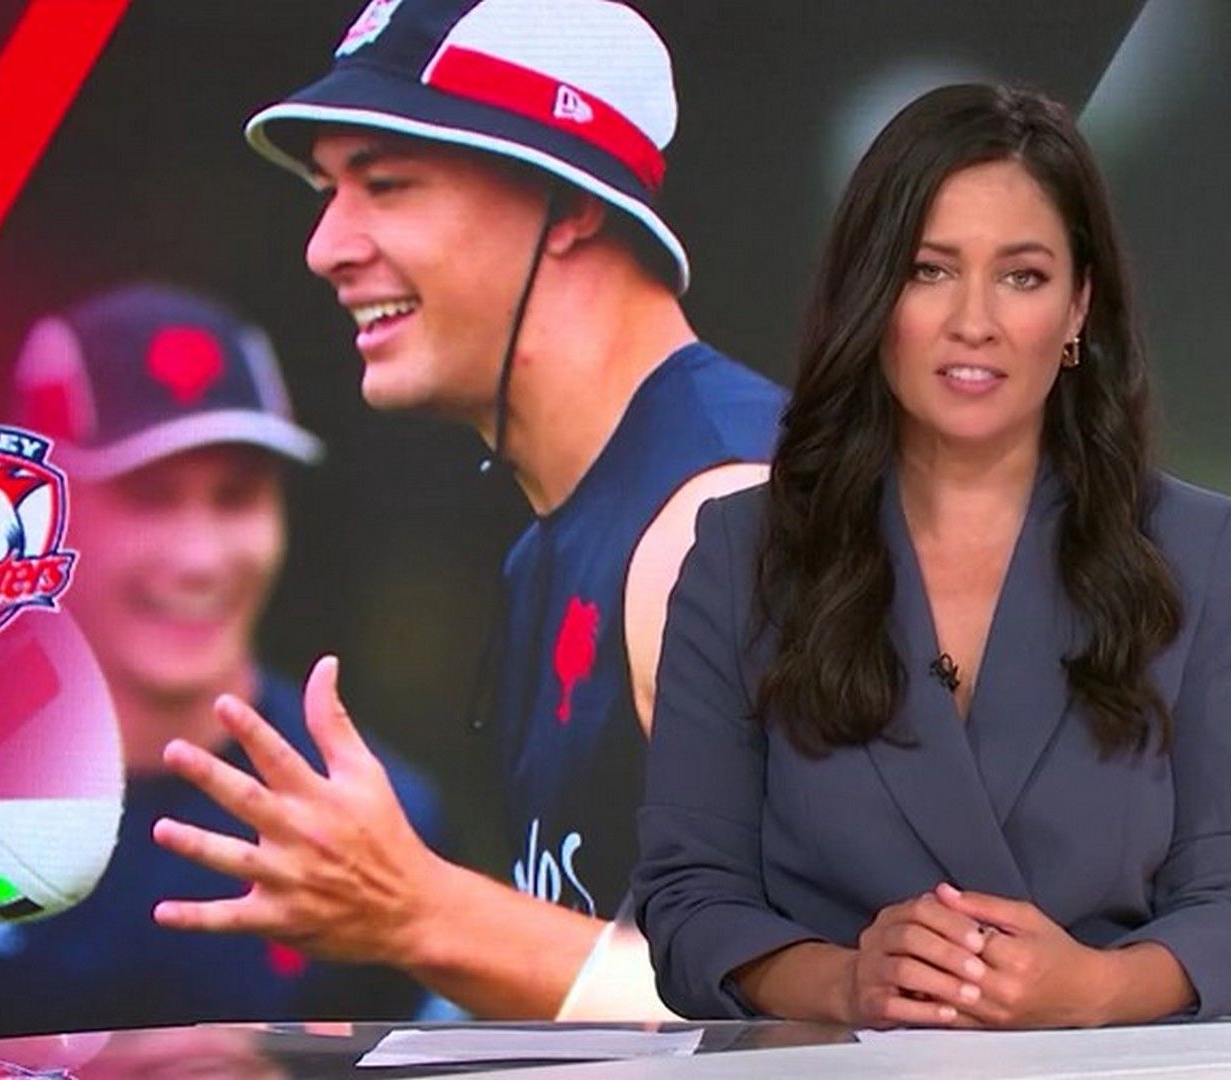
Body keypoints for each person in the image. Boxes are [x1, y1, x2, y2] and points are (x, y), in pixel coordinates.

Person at [150, 0, 784, 1019]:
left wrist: (419, 914)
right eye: (327, 191)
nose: (326, 246)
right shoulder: (559, 538)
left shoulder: (727, 530)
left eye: (387, 184)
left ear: (568, 203)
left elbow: (860, 1017)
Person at [633, 84, 1231, 1027]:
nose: (974, 321)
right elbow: (689, 903)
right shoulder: (743, 553)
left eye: (1022, 277)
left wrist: (1092, 991)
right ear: (874, 296)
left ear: (1078, 307)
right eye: (929, 270)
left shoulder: (1204, 553)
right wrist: (847, 983)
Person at [0, 283, 451, 1049]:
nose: (199, 558)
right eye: (148, 496)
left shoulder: (368, 814)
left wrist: (300, 1069)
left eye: (235, 497)